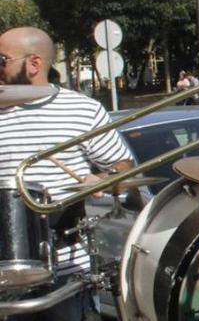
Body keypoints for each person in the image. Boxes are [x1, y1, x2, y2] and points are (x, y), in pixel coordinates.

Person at [0, 26, 134, 320]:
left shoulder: (82, 110)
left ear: (34, 63)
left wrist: (101, 179)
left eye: (2, 59)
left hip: (67, 270)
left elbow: (124, 168)